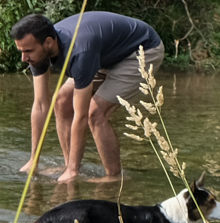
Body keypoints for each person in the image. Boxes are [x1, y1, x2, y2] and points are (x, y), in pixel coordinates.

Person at [10, 11, 164, 184]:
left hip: (140, 51)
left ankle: (114, 177)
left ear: (48, 42)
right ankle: (68, 165)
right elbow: (40, 105)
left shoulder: (79, 52)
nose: (24, 58)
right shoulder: (37, 52)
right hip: (103, 54)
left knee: (94, 113)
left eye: (28, 51)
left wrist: (73, 170)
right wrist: (34, 160)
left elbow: (81, 115)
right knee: (61, 101)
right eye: (21, 51)